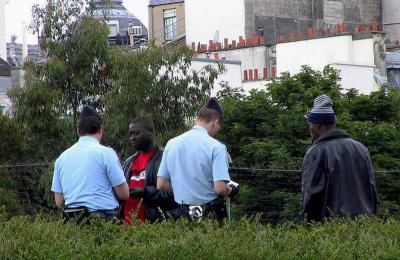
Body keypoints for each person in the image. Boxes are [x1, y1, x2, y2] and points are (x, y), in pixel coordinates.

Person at [157, 98, 239, 222]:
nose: (217, 131)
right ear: (215, 122)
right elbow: (220, 188)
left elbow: (161, 184)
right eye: (218, 127)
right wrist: (232, 189)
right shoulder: (217, 147)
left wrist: (184, 187)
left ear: (197, 119)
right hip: (210, 215)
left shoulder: (171, 143)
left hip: (181, 214)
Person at [300, 95, 377, 222]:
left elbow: (310, 196)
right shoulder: (361, 149)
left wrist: (305, 227)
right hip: (365, 227)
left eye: (310, 125)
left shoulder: (316, 152)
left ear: (317, 126)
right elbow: (372, 190)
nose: (310, 130)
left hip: (332, 230)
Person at [51, 106, 129, 223]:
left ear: (78, 131)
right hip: (103, 222)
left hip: (72, 223)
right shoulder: (107, 154)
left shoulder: (61, 159)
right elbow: (123, 194)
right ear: (101, 129)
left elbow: (59, 202)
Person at [121, 117, 177, 224]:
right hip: (127, 228)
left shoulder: (165, 158)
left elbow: (173, 193)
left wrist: (144, 192)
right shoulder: (128, 162)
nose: (132, 138)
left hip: (153, 227)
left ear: (151, 131)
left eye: (136, 133)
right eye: (131, 134)